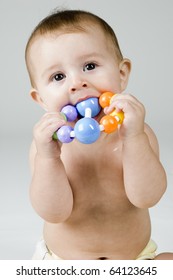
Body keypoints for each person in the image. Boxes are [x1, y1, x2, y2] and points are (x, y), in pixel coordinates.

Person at [25, 9, 173, 260]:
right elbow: (54, 213)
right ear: (41, 98)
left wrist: (134, 138)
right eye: (58, 76)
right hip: (63, 263)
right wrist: (48, 159)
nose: (76, 82)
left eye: (90, 66)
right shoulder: (47, 146)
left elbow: (148, 197)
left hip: (134, 260)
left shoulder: (138, 133)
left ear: (121, 74)